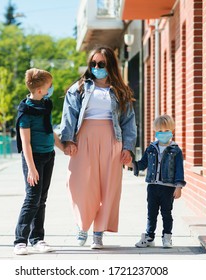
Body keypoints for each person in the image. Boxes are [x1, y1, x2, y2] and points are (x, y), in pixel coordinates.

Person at [59, 46, 137, 249]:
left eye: (101, 64)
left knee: (109, 187)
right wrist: (68, 140)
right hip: (84, 139)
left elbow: (129, 122)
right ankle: (82, 225)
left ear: (110, 65)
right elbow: (69, 114)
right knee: (78, 183)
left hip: (112, 140)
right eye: (93, 64)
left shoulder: (121, 91)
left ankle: (98, 233)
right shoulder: (80, 87)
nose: (96, 67)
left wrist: (128, 148)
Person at [13, 68, 64, 255]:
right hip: (32, 159)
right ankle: (20, 241)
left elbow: (49, 131)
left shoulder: (46, 104)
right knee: (32, 199)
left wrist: (63, 148)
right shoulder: (26, 111)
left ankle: (37, 239)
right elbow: (25, 142)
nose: (52, 89)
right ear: (41, 90)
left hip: (48, 156)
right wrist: (31, 169)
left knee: (42, 199)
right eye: (49, 86)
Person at [130, 114, 186, 248]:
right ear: (156, 131)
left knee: (166, 213)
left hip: (168, 188)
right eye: (160, 131)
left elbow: (179, 169)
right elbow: (143, 163)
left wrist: (178, 187)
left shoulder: (176, 150)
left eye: (166, 131)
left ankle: (167, 237)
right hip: (153, 187)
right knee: (151, 213)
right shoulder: (151, 148)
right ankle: (149, 238)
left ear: (172, 131)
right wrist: (133, 164)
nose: (163, 134)